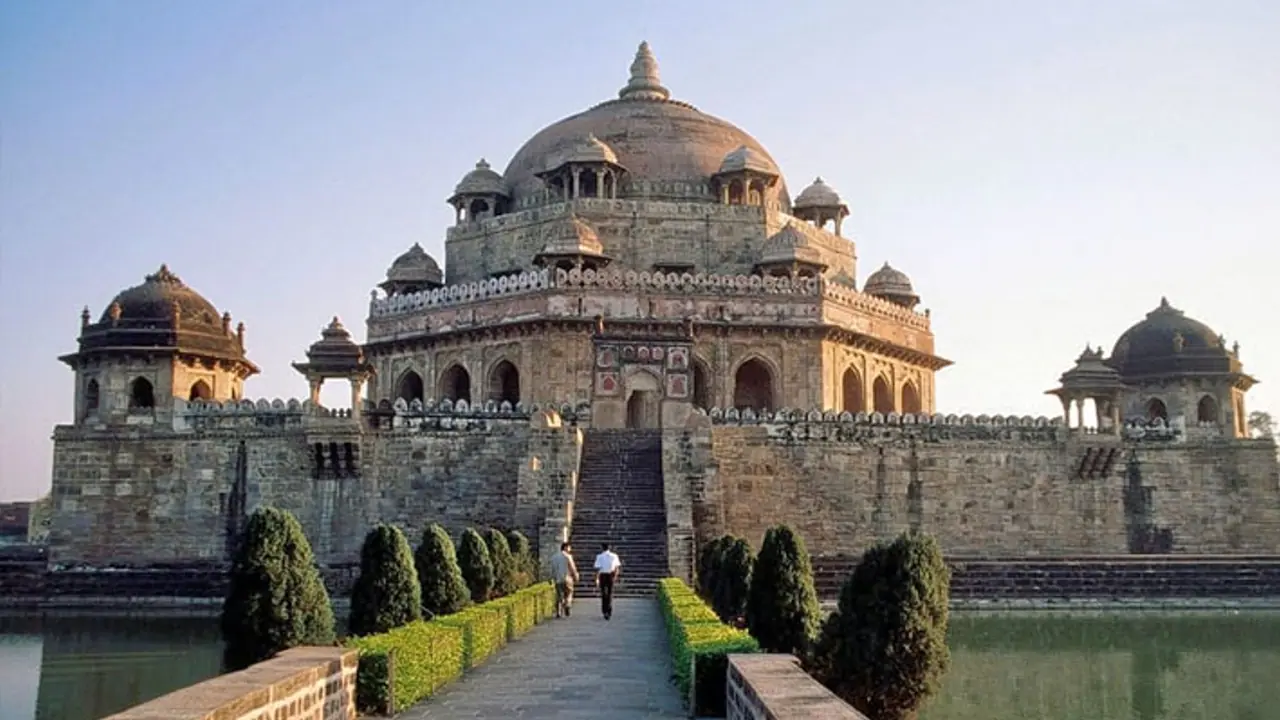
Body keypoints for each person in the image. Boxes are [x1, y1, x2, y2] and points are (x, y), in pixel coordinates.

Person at [549, 541, 579, 618]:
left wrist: (551, 578)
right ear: (565, 547)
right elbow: (572, 567)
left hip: (558, 579)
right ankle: (567, 604)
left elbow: (552, 569)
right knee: (569, 593)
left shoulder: (554, 557)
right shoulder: (568, 556)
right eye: (569, 547)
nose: (570, 549)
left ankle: (558, 612)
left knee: (559, 595)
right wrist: (576, 575)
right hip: (567, 578)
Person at [593, 543, 622, 620]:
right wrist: (615, 576)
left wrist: (597, 579)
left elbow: (598, 569)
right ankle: (609, 610)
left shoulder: (599, 556)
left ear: (602, 548)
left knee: (603, 593)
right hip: (610, 575)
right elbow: (617, 568)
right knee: (610, 593)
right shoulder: (614, 556)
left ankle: (604, 610)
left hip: (603, 575)